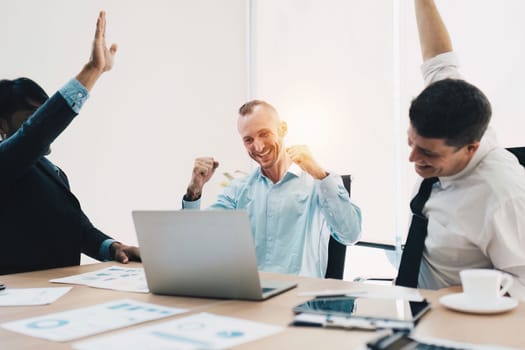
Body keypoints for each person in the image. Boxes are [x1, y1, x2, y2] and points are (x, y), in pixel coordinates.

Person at [0, 11, 140, 275]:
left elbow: (78, 230)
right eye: (34, 116)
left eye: (45, 112)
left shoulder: (52, 172)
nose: (48, 123)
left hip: (59, 293)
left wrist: (113, 247)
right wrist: (92, 70)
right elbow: (34, 135)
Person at [404, 0, 525, 291]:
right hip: (409, 306)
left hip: (460, 323)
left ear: (471, 147)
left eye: (428, 152)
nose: (412, 157)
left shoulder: (503, 196)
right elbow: (439, 58)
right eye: (411, 142)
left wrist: (461, 295)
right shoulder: (453, 107)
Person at [182, 100, 361, 278]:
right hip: (251, 298)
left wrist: (320, 175)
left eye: (264, 133)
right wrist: (194, 191)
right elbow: (196, 241)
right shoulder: (239, 190)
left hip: (299, 300)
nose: (258, 146)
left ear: (282, 129)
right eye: (248, 140)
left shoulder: (318, 183)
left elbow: (350, 234)